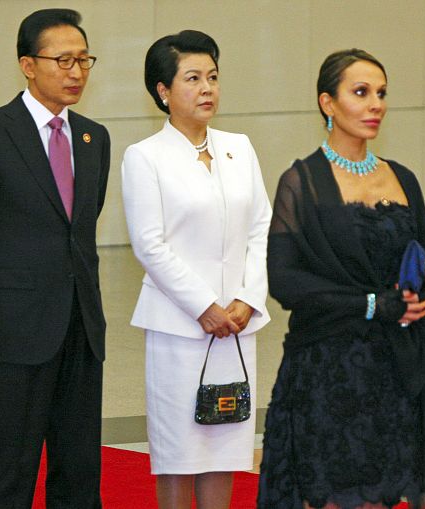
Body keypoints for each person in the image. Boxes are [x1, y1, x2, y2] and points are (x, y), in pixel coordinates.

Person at [257, 49, 425, 509]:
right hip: (328, 370)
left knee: (387, 496)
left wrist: (422, 292)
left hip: (394, 370)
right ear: (327, 102)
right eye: (361, 93)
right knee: (332, 496)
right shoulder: (301, 181)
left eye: (381, 93)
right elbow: (284, 280)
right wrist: (370, 304)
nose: (375, 104)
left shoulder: (402, 177)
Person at [0, 9, 110, 508]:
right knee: (10, 468)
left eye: (84, 60)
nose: (76, 72)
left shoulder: (93, 137)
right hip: (11, 325)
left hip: (81, 324)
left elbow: (81, 227)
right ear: (28, 65)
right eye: (63, 60)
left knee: (79, 468)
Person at [121, 30, 272, 509]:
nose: (207, 88)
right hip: (180, 326)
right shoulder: (145, 157)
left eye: (213, 77)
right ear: (163, 90)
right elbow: (149, 244)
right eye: (192, 78)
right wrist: (204, 306)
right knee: (179, 452)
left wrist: (247, 298)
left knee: (225, 446)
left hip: (237, 325)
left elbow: (262, 228)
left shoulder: (239, 147)